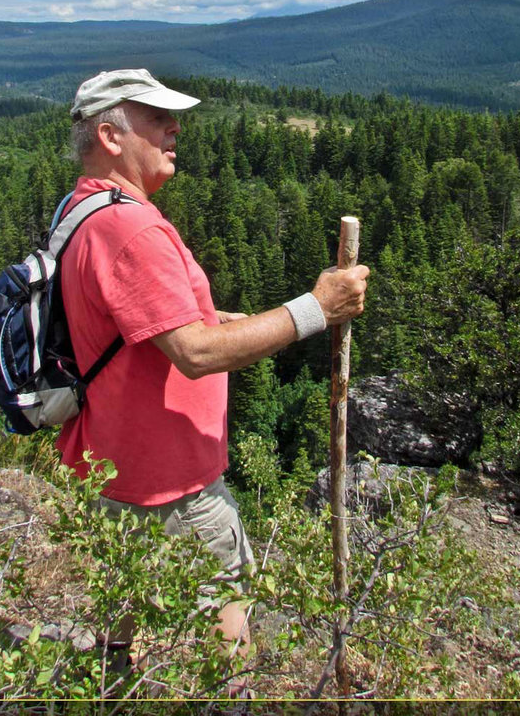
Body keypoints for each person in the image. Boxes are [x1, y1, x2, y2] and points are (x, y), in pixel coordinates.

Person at [55, 68, 369, 690]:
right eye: (156, 118)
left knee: (122, 640)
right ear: (111, 136)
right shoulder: (132, 228)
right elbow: (194, 352)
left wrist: (249, 320)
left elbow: (152, 327)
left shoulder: (85, 207)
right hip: (175, 488)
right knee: (224, 665)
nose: (175, 129)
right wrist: (315, 310)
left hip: (117, 474)